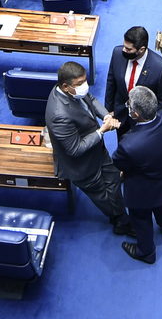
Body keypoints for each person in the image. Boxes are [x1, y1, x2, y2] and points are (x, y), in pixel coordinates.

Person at [45, 61, 134, 237]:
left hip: (96, 150)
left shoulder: (73, 91)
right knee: (103, 197)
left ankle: (119, 215)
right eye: (80, 84)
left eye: (85, 81)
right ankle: (120, 221)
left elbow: (90, 100)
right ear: (65, 86)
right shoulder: (59, 115)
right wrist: (102, 130)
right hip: (81, 165)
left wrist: (107, 116)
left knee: (114, 178)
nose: (85, 86)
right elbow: (75, 149)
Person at [112, 85, 162, 264]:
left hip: (142, 192)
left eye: (129, 105)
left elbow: (118, 164)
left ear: (135, 115)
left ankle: (146, 252)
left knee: (141, 220)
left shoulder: (129, 144)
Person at [104, 26, 162, 135]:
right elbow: (111, 81)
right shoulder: (117, 53)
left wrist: (154, 124)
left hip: (144, 122)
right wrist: (109, 109)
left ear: (141, 49)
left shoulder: (160, 68)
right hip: (121, 114)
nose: (124, 50)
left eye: (128, 49)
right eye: (124, 46)